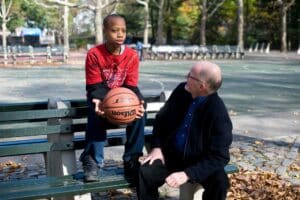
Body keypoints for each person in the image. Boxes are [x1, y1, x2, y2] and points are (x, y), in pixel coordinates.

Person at [138, 61, 233, 200]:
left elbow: (220, 156)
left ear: (202, 86)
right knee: (146, 172)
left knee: (220, 183)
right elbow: (160, 120)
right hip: (171, 156)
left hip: (199, 162)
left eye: (190, 76)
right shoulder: (181, 91)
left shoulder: (218, 113)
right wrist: (157, 147)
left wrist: (187, 174)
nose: (186, 76)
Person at [80, 14, 146, 186]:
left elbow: (131, 86)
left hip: (124, 96)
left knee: (139, 112)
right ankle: (93, 160)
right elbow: (94, 86)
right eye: (114, 30)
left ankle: (132, 159)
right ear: (105, 31)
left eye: (123, 30)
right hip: (100, 94)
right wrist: (101, 101)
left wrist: (137, 101)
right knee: (96, 112)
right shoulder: (94, 54)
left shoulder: (131, 55)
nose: (120, 34)